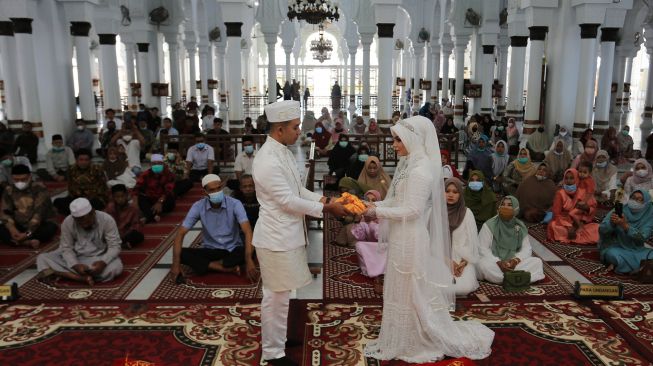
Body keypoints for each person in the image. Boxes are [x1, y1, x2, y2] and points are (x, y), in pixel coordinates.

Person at [362, 116, 493, 362]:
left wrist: (376, 212)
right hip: (401, 235)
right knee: (402, 289)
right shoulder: (408, 165)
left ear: (413, 139)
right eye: (394, 139)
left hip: (411, 237)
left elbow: (412, 210)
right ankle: (401, 334)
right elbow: (396, 201)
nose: (394, 145)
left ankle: (416, 337)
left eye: (398, 140)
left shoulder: (421, 171)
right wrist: (372, 204)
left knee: (413, 290)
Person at [252, 100, 348, 365]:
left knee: (285, 293)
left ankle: (279, 339)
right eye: (295, 127)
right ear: (279, 129)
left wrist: (326, 202)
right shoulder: (267, 161)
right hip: (275, 237)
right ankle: (272, 353)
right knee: (275, 296)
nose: (300, 132)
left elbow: (299, 191)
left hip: (287, 234)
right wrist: (329, 210)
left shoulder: (282, 151)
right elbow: (287, 201)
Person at [171, 174, 256, 280]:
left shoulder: (234, 204)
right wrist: (175, 264)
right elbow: (180, 233)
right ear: (205, 192)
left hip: (233, 249)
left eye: (219, 188)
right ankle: (224, 268)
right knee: (181, 254)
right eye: (212, 190)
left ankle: (207, 265)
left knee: (250, 252)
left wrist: (248, 260)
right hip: (211, 250)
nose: (217, 192)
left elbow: (247, 230)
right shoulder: (198, 206)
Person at [36, 198, 123, 286]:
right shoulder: (68, 222)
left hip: (98, 259)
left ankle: (63, 274)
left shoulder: (107, 220)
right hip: (76, 257)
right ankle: (79, 278)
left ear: (92, 212)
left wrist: (103, 262)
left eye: (86, 221)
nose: (84, 225)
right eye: (79, 222)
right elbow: (66, 248)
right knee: (42, 258)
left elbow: (115, 246)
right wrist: (75, 265)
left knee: (115, 268)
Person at [476, 196, 545, 284]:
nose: (505, 207)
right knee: (482, 265)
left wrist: (516, 260)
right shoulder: (489, 225)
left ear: (516, 209)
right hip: (494, 262)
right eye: (503, 205)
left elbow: (527, 248)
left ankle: (506, 278)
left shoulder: (520, 226)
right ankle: (518, 278)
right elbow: (482, 248)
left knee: (537, 262)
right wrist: (498, 262)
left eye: (509, 205)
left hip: (512, 263)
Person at [0, 164, 57, 248]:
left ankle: (20, 240)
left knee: (50, 229)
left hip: (39, 225)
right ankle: (27, 242)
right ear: (12, 178)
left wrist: (28, 233)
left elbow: (39, 214)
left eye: (23, 179)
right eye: (16, 180)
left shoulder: (39, 188)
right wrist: (12, 229)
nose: (20, 182)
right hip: (19, 224)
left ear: (30, 176)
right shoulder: (9, 190)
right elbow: (6, 212)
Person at [599, 189, 653, 274]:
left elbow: (643, 237)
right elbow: (602, 229)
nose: (635, 201)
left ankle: (623, 266)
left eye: (639, 200)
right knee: (612, 254)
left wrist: (625, 226)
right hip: (616, 247)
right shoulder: (620, 210)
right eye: (633, 198)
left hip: (638, 249)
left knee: (651, 254)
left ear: (646, 203)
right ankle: (640, 267)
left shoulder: (649, 216)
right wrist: (612, 224)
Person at [445, 178, 480, 296]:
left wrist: (462, 263)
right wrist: (448, 261)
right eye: (447, 191)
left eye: (455, 192)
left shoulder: (467, 213)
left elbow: (472, 243)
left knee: (463, 287)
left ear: (460, 194)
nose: (450, 195)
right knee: (438, 285)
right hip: (440, 257)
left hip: (463, 257)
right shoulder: (435, 212)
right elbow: (429, 243)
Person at [547, 169, 599, 245]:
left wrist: (587, 208)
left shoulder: (582, 191)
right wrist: (569, 227)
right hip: (564, 222)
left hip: (580, 223)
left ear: (577, 179)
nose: (568, 181)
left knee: (597, 228)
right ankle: (576, 235)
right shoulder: (560, 193)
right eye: (566, 178)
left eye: (571, 178)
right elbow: (556, 214)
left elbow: (593, 208)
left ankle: (576, 235)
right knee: (553, 226)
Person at [53, 149, 108, 215]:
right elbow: (70, 187)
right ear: (76, 160)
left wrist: (87, 198)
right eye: (81, 160)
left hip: (93, 198)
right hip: (76, 198)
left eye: (86, 160)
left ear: (90, 160)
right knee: (57, 201)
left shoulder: (97, 169)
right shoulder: (71, 170)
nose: (83, 162)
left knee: (95, 204)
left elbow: (103, 188)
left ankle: (77, 213)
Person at [133, 154, 176, 223]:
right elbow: (137, 188)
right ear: (150, 165)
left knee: (170, 200)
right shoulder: (145, 174)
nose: (156, 165)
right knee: (141, 198)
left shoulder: (168, 174)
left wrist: (160, 202)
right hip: (150, 199)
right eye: (154, 164)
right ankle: (153, 216)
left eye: (159, 163)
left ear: (163, 164)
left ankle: (148, 216)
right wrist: (135, 202)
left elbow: (168, 190)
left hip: (163, 199)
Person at [104, 184, 144, 249]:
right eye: (117, 197)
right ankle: (122, 245)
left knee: (139, 236)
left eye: (122, 196)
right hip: (113, 235)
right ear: (113, 197)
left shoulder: (132, 209)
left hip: (126, 234)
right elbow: (106, 225)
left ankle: (119, 245)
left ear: (126, 195)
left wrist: (126, 233)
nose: (120, 199)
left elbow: (135, 224)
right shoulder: (110, 208)